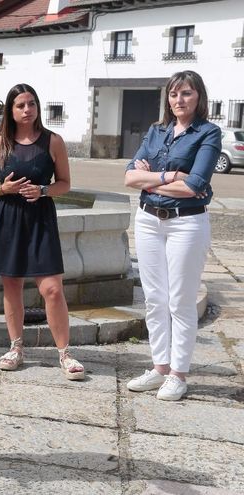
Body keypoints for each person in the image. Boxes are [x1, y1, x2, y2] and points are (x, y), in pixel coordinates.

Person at [0, 83, 85, 381]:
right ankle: (16, 347)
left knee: (52, 288)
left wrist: (44, 190)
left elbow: (65, 183)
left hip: (40, 218)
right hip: (7, 217)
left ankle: (65, 352)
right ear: (10, 110)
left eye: (31, 104)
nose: (27, 110)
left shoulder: (54, 141)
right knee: (11, 286)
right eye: (20, 105)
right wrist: (3, 188)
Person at [124, 71, 220, 401]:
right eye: (174, 94)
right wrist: (168, 175)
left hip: (186, 224)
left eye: (187, 94)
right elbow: (128, 177)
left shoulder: (208, 133)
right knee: (155, 298)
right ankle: (159, 367)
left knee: (180, 299)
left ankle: (178, 374)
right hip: (149, 220)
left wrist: (149, 179)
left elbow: (195, 185)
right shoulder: (156, 131)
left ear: (199, 97)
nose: (179, 100)